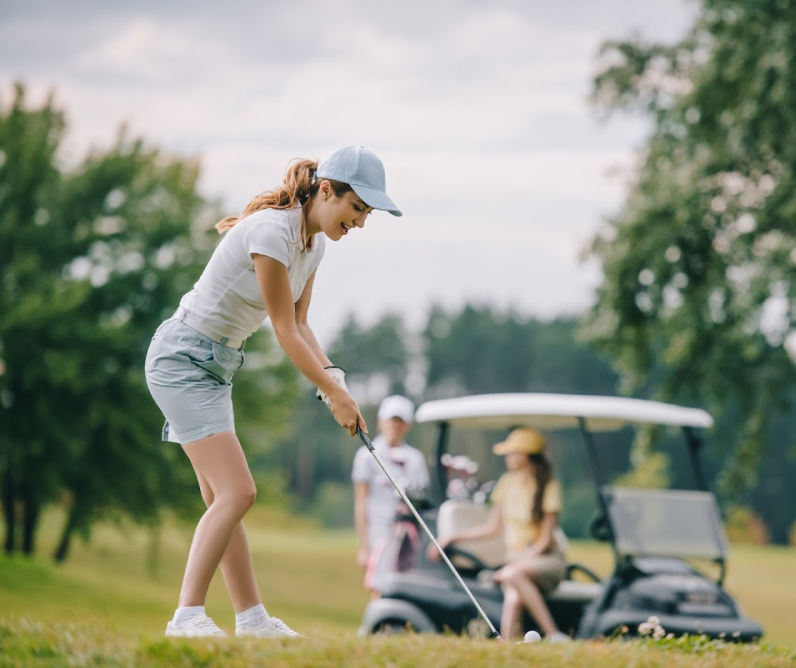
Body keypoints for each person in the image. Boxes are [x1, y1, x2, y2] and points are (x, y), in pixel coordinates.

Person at [144, 145, 402, 638]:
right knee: (239, 493)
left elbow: (304, 325)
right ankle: (186, 617)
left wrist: (335, 380)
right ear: (326, 191)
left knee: (225, 498)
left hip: (216, 366)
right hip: (182, 360)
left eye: (367, 214)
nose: (361, 223)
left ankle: (251, 620)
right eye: (357, 209)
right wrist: (333, 393)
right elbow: (283, 331)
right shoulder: (271, 233)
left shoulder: (314, 244)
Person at [432, 427, 569, 642]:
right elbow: (491, 529)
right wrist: (452, 538)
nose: (507, 457)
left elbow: (544, 541)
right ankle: (507, 645)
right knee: (513, 596)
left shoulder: (549, 486)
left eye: (512, 453)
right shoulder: (507, 483)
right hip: (516, 562)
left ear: (525, 455)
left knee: (510, 576)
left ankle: (554, 634)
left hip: (544, 560)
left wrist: (515, 565)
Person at [352, 394, 429, 591]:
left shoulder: (415, 458)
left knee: (404, 586)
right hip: (377, 532)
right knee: (378, 586)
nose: (395, 426)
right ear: (381, 421)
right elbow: (361, 502)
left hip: (407, 535)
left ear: (408, 425)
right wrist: (363, 546)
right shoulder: (366, 456)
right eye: (391, 420)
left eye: (400, 421)